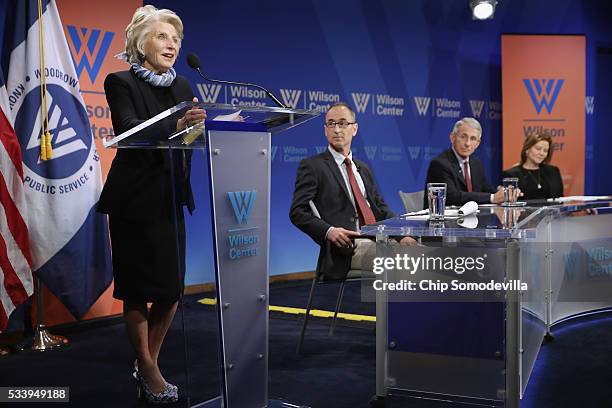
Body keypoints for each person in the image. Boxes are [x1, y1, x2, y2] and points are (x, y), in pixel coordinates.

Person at [96, 5, 206, 403]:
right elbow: (128, 130)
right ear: (141, 43)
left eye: (175, 39)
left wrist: (195, 132)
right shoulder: (119, 81)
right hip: (134, 198)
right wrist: (176, 125)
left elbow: (188, 142)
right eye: (162, 36)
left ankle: (147, 364)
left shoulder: (183, 88)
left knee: (170, 289)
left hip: (168, 197)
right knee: (138, 288)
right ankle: (149, 369)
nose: (171, 44)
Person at [290, 102, 416, 281]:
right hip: (347, 249)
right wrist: (329, 231)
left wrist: (402, 235)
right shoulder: (313, 166)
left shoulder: (363, 168)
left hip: (378, 239)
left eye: (342, 123)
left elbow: (381, 210)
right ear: (325, 130)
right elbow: (297, 212)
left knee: (427, 254)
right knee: (411, 262)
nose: (337, 129)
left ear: (354, 129)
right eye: (331, 124)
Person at [424, 117, 505, 207]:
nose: (467, 143)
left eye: (473, 138)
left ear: (478, 143)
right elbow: (452, 197)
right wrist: (493, 197)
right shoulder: (440, 164)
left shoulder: (475, 163)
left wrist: (504, 193)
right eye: (463, 137)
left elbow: (485, 188)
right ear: (452, 137)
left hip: (471, 218)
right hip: (444, 220)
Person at [503, 133, 563, 200]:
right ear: (527, 149)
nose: (541, 153)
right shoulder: (511, 174)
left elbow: (560, 199)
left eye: (545, 151)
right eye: (538, 149)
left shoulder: (553, 171)